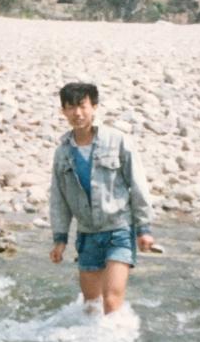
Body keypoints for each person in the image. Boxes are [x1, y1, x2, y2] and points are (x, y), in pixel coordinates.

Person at [49, 82, 155, 315]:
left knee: (111, 301)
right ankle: (93, 340)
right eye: (71, 107)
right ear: (63, 111)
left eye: (82, 106)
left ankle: (118, 338)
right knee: (91, 306)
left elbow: (138, 184)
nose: (77, 113)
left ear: (94, 107)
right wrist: (60, 238)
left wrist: (144, 229)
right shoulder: (63, 152)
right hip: (87, 235)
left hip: (118, 230)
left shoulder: (117, 140)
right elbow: (58, 198)